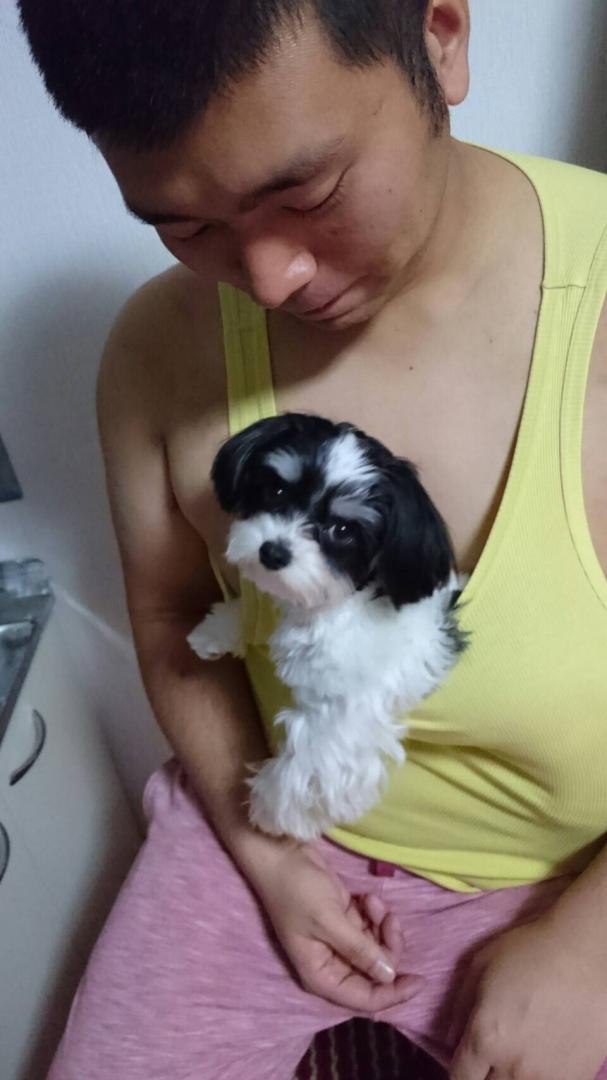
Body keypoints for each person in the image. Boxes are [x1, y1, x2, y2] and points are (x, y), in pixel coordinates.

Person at [17, 1, 607, 1077]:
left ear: (440, 35)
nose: (270, 277)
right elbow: (169, 617)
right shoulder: (161, 349)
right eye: (184, 226)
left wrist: (591, 948)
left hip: (574, 878)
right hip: (272, 814)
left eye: (307, 193)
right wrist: (264, 851)